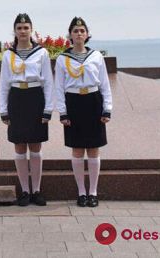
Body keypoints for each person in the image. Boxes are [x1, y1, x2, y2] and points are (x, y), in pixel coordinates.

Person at [54, 17, 112, 208]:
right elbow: (59, 87)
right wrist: (63, 112)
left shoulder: (96, 56)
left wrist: (107, 109)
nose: (79, 34)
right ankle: (81, 192)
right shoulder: (63, 58)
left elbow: (104, 84)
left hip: (93, 102)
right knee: (77, 149)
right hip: (74, 103)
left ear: (87, 34)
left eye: (82, 30)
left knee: (94, 149)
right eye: (75, 30)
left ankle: (93, 192)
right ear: (70, 34)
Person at [0, 14, 53, 206]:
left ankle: (37, 190)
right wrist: (3, 110)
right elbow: (4, 84)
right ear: (15, 31)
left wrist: (48, 108)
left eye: (26, 27)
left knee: (36, 146)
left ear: (31, 30)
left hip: (35, 98)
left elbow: (47, 82)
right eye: (19, 28)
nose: (23, 31)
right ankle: (24, 190)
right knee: (19, 146)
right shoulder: (8, 55)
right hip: (17, 99)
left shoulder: (42, 53)